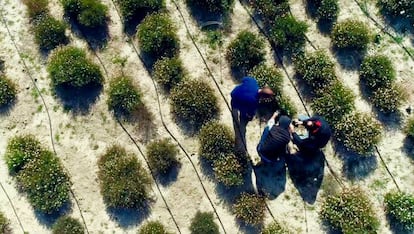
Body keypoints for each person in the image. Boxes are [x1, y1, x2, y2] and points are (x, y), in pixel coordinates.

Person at [231, 76, 274, 153]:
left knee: (238, 108)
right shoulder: (254, 102)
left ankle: (236, 118)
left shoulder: (253, 82)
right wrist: (250, 117)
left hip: (234, 93)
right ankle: (239, 132)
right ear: (263, 97)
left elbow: (244, 79)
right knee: (244, 116)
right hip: (236, 102)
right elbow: (250, 113)